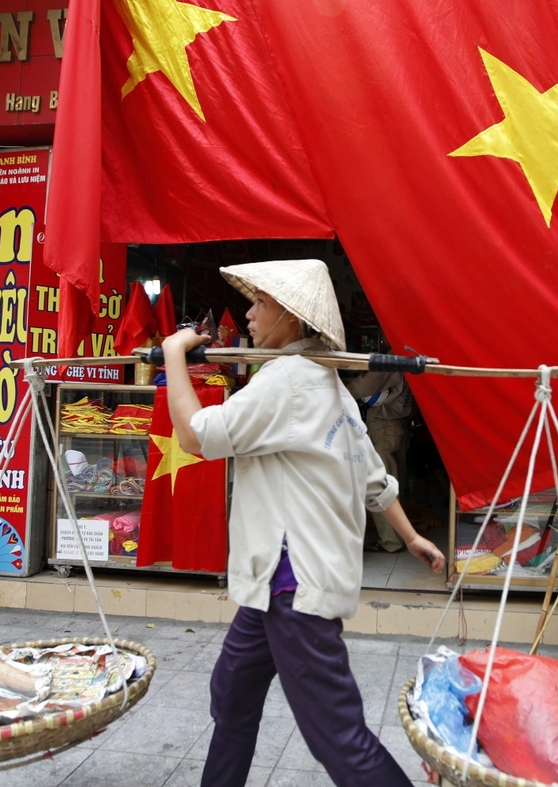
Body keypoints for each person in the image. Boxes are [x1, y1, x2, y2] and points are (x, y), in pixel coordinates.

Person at [161, 258, 445, 787]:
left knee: (338, 740)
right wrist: (410, 536)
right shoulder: (330, 384)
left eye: (260, 303)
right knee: (232, 694)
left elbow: (196, 437)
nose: (248, 315)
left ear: (292, 318)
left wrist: (174, 355)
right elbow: (375, 478)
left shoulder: (289, 379)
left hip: (294, 583)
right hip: (275, 580)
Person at [346, 364, 413, 552]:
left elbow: (362, 388)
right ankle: (400, 535)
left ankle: (391, 541)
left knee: (381, 485)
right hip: (398, 426)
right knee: (396, 481)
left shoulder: (391, 360)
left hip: (383, 427)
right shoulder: (408, 357)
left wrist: (344, 385)